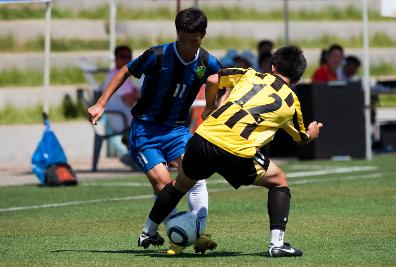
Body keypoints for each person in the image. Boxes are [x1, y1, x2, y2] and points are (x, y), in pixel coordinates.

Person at [139, 46, 323, 257]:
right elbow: (301, 139)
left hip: (203, 139)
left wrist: (209, 108)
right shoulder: (292, 102)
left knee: (179, 185)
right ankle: (277, 244)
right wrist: (313, 132)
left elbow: (212, 79)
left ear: (272, 67)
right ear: (297, 78)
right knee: (279, 180)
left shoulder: (250, 74)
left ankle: (147, 232)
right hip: (236, 152)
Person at [88, 7, 221, 255]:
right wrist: (101, 103)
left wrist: (213, 107)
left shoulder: (207, 62)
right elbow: (125, 71)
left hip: (178, 131)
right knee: (164, 184)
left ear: (202, 35)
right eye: (183, 40)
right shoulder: (158, 55)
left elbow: (219, 81)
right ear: (177, 33)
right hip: (145, 131)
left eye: (194, 41)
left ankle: (198, 235)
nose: (188, 46)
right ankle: (174, 231)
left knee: (195, 175)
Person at [102, 45, 141, 164]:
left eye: (129, 57)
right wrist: (137, 95)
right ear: (115, 58)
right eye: (122, 56)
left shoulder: (119, 75)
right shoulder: (119, 76)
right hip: (121, 119)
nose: (126, 59)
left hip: (119, 117)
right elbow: (130, 100)